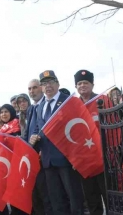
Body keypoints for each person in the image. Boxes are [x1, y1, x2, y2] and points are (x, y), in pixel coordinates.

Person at [29, 70, 84, 215]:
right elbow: (37, 127)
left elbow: (78, 129)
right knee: (56, 201)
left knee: (74, 199)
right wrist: (33, 136)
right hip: (48, 160)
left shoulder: (68, 101)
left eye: (51, 82)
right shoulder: (40, 106)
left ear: (58, 84)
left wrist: (77, 156)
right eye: (44, 83)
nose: (48, 86)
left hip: (66, 158)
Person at [73, 70, 107, 215]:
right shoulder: (73, 106)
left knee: (109, 197)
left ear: (92, 84)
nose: (82, 86)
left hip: (103, 158)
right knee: (92, 200)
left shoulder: (103, 100)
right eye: (79, 83)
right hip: (84, 161)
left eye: (85, 83)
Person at [24, 79, 51, 215]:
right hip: (30, 156)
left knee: (46, 194)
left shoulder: (47, 105)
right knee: (35, 195)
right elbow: (28, 131)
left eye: (34, 88)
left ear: (41, 88)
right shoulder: (30, 108)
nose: (31, 91)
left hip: (43, 156)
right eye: (29, 88)